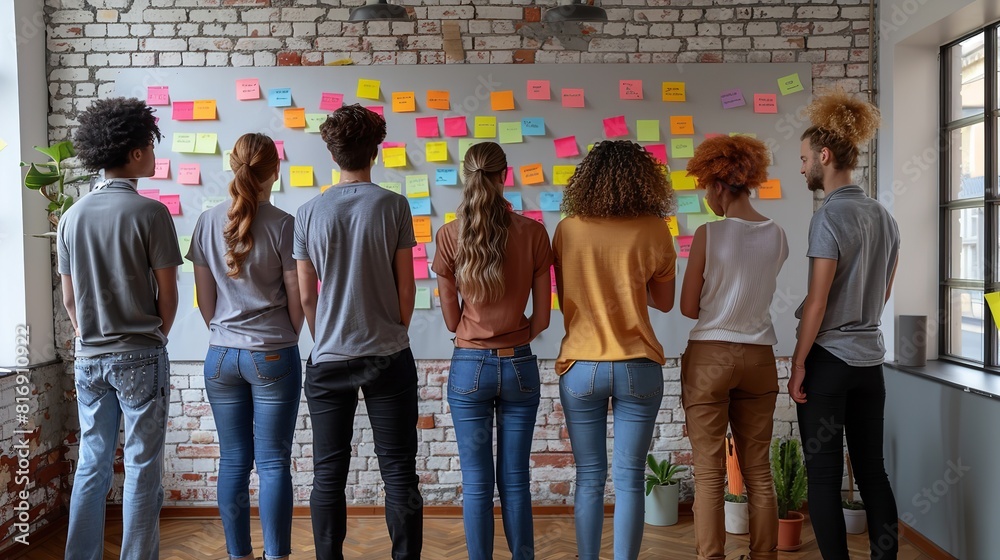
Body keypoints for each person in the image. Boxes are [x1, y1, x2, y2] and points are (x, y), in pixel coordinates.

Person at [294, 104, 422, 560]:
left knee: (328, 473)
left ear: (332, 153)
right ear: (377, 150)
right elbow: (406, 285)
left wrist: (325, 335)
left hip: (329, 357)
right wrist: (395, 331)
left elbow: (307, 298)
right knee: (400, 472)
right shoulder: (394, 205)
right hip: (388, 354)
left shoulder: (307, 213)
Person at [58, 97, 181, 559]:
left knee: (92, 463)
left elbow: (70, 299)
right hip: (141, 354)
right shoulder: (151, 213)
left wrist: (89, 337)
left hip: (89, 358)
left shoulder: (70, 217)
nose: (154, 154)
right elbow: (167, 294)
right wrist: (156, 336)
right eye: (150, 146)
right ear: (133, 153)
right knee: (142, 465)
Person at [552, 140, 677, 560]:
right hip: (637, 364)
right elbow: (664, 301)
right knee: (629, 478)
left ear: (587, 179)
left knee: (589, 476)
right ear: (644, 181)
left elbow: (566, 292)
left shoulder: (567, 229)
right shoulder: (656, 229)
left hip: (581, 365)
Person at [790, 89, 899, 560]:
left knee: (823, 476)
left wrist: (798, 364)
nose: (801, 168)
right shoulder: (885, 217)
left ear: (825, 156)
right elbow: (885, 291)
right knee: (873, 472)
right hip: (871, 364)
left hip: (830, 362)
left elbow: (816, 302)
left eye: (803, 158)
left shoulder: (828, 216)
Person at [432, 142, 553, 560]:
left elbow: (451, 321)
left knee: (477, 481)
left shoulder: (448, 235)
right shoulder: (534, 233)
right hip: (519, 364)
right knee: (515, 479)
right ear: (506, 174)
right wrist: (515, 338)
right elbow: (543, 319)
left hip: (469, 368)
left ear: (467, 175)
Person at [187, 133, 303, 560]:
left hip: (220, 357)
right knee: (272, 462)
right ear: (275, 170)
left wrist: (222, 332)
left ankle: (239, 555)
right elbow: (296, 296)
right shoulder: (285, 224)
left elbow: (205, 299)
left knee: (233, 461)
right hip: (273, 353)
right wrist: (287, 336)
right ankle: (276, 556)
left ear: (231, 166)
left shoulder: (205, 221)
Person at [680, 135, 788, 560]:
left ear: (720, 184)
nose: (706, 196)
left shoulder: (709, 234)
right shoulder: (778, 235)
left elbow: (690, 308)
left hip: (710, 354)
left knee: (709, 474)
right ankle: (765, 556)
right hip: (760, 357)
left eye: (706, 187)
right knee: (758, 469)